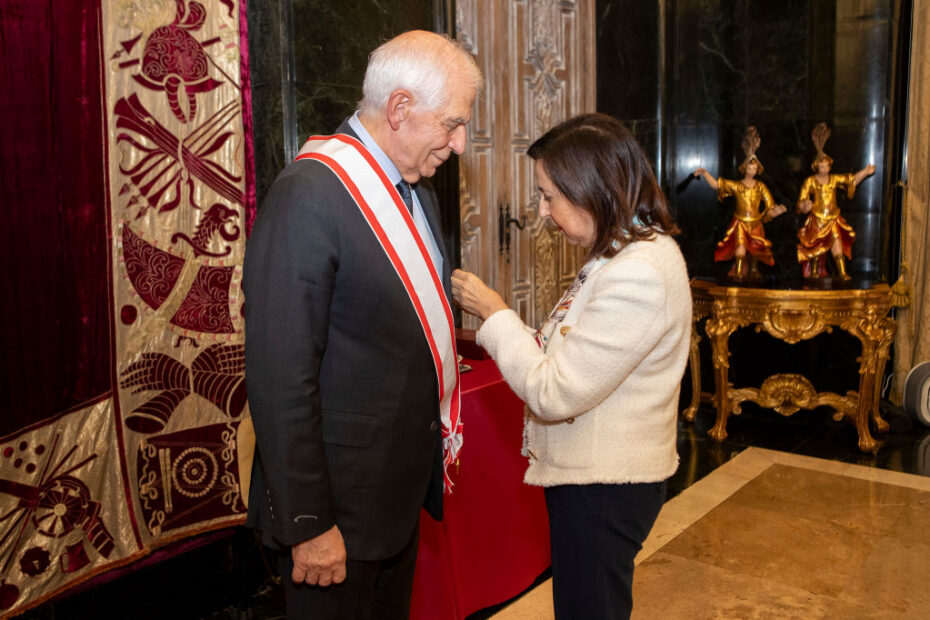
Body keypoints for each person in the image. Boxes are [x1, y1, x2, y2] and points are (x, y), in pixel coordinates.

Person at [243, 30, 481, 619]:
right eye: (452, 123)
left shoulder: (415, 194)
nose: (459, 143)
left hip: (392, 507)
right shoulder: (309, 195)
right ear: (400, 109)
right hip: (334, 520)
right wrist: (309, 524)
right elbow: (281, 377)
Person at [451, 113, 691, 620]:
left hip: (604, 488)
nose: (541, 211)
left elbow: (554, 391)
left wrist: (496, 315)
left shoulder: (639, 272)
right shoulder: (618, 252)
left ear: (592, 190)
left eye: (549, 195)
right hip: (592, 479)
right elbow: (561, 343)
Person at [693, 126, 786, 280]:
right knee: (740, 250)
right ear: (745, 168)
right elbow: (718, 186)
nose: (752, 169)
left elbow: (769, 207)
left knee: (756, 250)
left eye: (755, 167)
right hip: (740, 223)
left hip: (755, 224)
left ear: (758, 169)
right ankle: (738, 272)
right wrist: (705, 173)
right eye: (750, 166)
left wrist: (776, 212)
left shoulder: (761, 187)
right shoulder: (737, 186)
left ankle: (754, 269)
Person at [796, 122, 875, 280]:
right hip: (817, 219)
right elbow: (801, 201)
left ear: (830, 166)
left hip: (833, 218)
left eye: (826, 165)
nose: (824, 168)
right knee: (816, 247)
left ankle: (842, 272)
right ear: (816, 166)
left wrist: (865, 172)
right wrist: (805, 205)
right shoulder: (810, 181)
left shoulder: (834, 180)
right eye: (821, 165)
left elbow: (850, 180)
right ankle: (814, 272)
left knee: (837, 243)